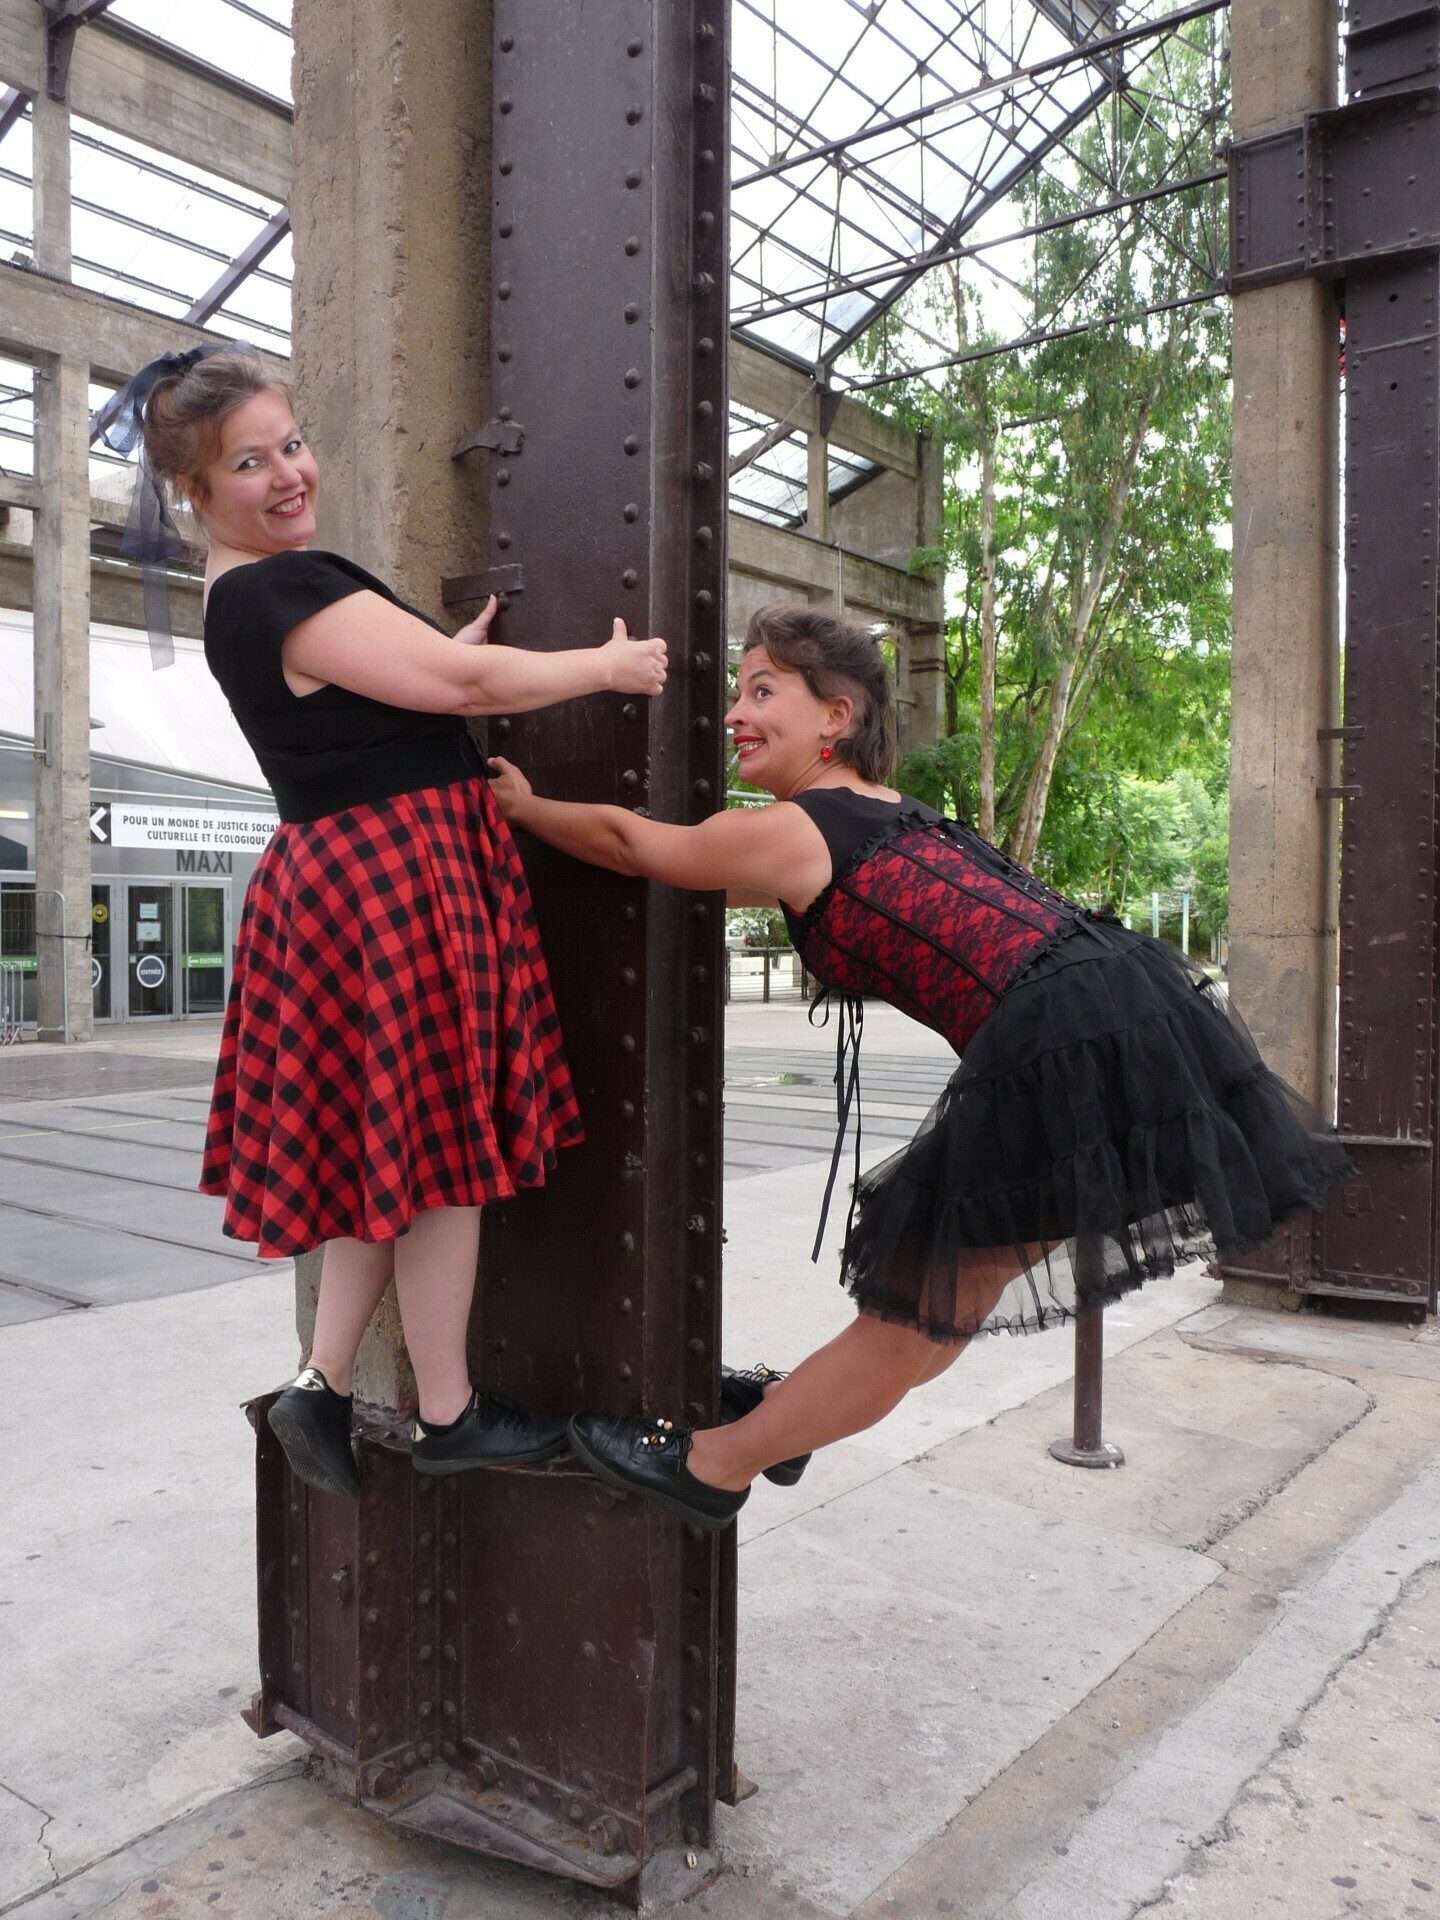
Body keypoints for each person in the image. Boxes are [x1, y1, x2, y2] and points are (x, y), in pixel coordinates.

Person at [488, 602, 1354, 1531]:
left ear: (837, 717)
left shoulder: (797, 828)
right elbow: (688, 868)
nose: (736, 713)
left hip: (1057, 1026)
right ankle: (786, 1419)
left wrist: (525, 807)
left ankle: (713, 1464)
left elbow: (634, 846)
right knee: (948, 1302)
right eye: (738, 693)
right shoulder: (891, 818)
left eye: (763, 691)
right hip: (1126, 1004)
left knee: (915, 1311)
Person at [123, 343, 667, 1500]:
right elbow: (466, 696)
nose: (286, 475)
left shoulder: (252, 592)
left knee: (391, 1154)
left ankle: (319, 1388)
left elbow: (404, 688)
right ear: (195, 491)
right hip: (391, 876)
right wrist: (611, 666)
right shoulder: (275, 588)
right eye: (248, 463)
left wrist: (440, 659)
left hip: (355, 872)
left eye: (293, 443)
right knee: (437, 1164)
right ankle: (452, 1412)